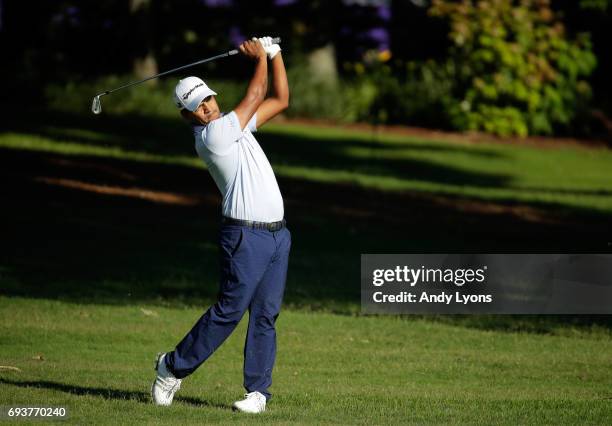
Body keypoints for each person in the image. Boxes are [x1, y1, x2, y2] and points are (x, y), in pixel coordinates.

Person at [151, 37, 290, 414]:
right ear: (188, 115)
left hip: (278, 235)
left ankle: (257, 393)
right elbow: (258, 90)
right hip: (245, 235)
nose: (208, 107)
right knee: (230, 310)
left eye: (209, 99)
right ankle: (171, 367)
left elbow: (279, 99)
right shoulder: (213, 136)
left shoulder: (235, 125)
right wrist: (259, 56)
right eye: (198, 106)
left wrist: (275, 56)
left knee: (266, 313)